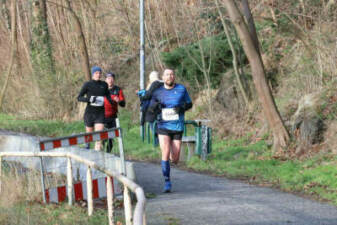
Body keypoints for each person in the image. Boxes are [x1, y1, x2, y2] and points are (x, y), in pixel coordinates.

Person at [148, 69, 193, 192]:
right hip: (163, 126)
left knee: (176, 158)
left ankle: (171, 162)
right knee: (165, 152)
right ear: (163, 77)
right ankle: (167, 181)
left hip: (177, 127)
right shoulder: (158, 92)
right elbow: (151, 108)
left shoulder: (181, 89)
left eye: (172, 74)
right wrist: (155, 107)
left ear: (174, 77)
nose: (170, 77)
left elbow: (189, 104)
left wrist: (182, 107)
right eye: (167, 75)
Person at [77, 66, 114, 151]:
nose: (98, 75)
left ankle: (97, 156)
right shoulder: (87, 84)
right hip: (89, 113)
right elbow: (79, 97)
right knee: (89, 136)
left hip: (100, 113)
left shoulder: (104, 85)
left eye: (100, 73)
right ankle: (87, 148)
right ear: (93, 74)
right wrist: (89, 99)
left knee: (99, 137)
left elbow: (107, 94)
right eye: (96, 73)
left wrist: (111, 101)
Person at [138, 71, 163, 145]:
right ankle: (159, 145)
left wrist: (141, 97)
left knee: (155, 129)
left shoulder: (154, 84)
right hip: (162, 109)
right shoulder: (163, 83)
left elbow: (147, 96)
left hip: (153, 110)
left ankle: (157, 145)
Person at [104, 72, 125, 153]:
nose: (110, 80)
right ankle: (101, 150)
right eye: (108, 78)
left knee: (111, 138)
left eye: (112, 78)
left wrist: (118, 101)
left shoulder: (118, 90)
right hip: (102, 116)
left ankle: (108, 153)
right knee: (103, 137)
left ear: (114, 80)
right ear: (105, 80)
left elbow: (123, 104)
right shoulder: (102, 89)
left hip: (113, 117)